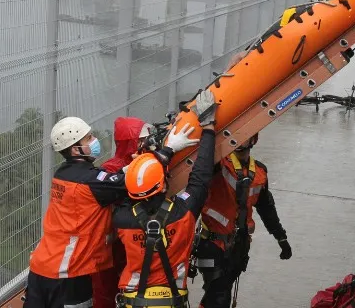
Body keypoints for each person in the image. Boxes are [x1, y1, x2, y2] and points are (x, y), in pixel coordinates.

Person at [113, 89, 218, 308]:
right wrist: (207, 127)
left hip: (133, 302)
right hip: (172, 301)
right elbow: (201, 176)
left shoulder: (122, 219)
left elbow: (128, 185)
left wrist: (158, 155)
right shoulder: (183, 213)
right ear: (162, 183)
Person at [24, 117, 129, 308]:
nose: (94, 140)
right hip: (69, 273)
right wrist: (166, 151)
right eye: (88, 138)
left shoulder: (63, 173)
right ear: (75, 149)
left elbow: (104, 180)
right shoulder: (91, 182)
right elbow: (133, 181)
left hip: (41, 266)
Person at [195, 132, 291, 308]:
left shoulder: (260, 172)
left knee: (217, 295)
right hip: (212, 245)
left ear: (253, 140)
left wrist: (281, 237)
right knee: (219, 296)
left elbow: (266, 208)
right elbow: (204, 160)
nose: (239, 140)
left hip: (239, 245)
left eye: (244, 136)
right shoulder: (219, 164)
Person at [92, 117, 153, 308]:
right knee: (106, 292)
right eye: (143, 139)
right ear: (131, 142)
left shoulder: (145, 163)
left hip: (130, 239)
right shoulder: (111, 169)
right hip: (110, 245)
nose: (148, 142)